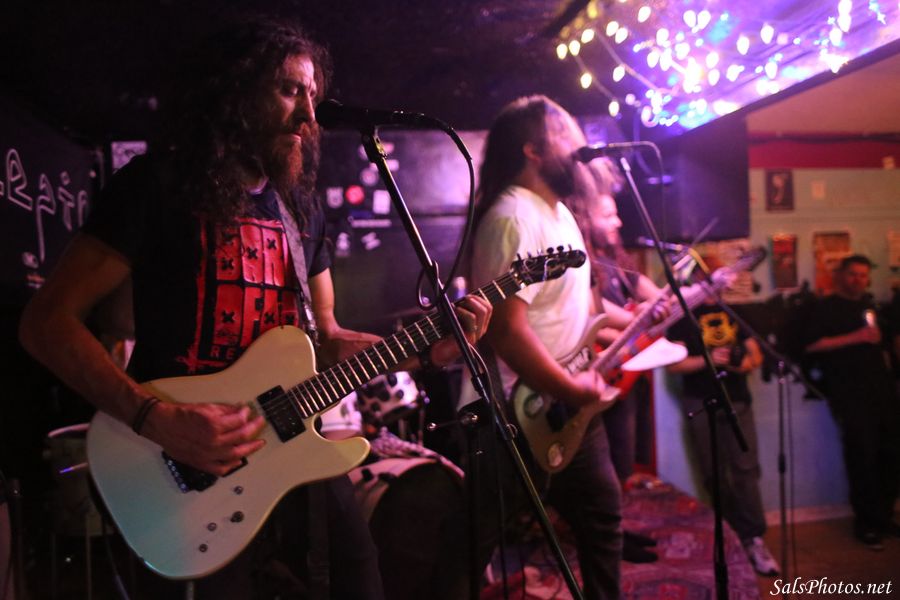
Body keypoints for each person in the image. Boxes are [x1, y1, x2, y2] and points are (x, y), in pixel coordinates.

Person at [18, 18, 490, 598]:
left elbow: (325, 340)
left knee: (359, 580)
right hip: (176, 458)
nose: (309, 115)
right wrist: (153, 417)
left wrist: (428, 351)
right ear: (234, 92)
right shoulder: (156, 185)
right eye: (290, 90)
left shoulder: (301, 209)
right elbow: (46, 322)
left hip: (290, 445)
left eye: (312, 95)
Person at [462, 95, 622, 599]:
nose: (579, 144)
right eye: (565, 133)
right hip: (515, 412)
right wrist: (571, 388)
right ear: (532, 149)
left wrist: (640, 317)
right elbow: (507, 332)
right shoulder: (513, 217)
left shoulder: (560, 214)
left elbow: (576, 307)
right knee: (474, 547)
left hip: (566, 407)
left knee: (603, 521)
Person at [666, 292, 780, 576]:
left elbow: (755, 356)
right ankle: (730, 534)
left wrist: (740, 363)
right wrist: (709, 359)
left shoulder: (736, 311)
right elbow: (674, 364)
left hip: (737, 400)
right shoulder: (682, 317)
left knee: (745, 470)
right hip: (700, 402)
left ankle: (753, 538)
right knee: (712, 474)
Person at [803, 254, 900, 550]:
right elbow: (811, 345)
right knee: (862, 458)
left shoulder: (871, 305)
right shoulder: (825, 308)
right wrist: (855, 337)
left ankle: (884, 517)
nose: (858, 280)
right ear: (840, 276)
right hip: (849, 394)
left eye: (863, 275)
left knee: (891, 455)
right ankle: (866, 523)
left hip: (882, 391)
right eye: (853, 274)